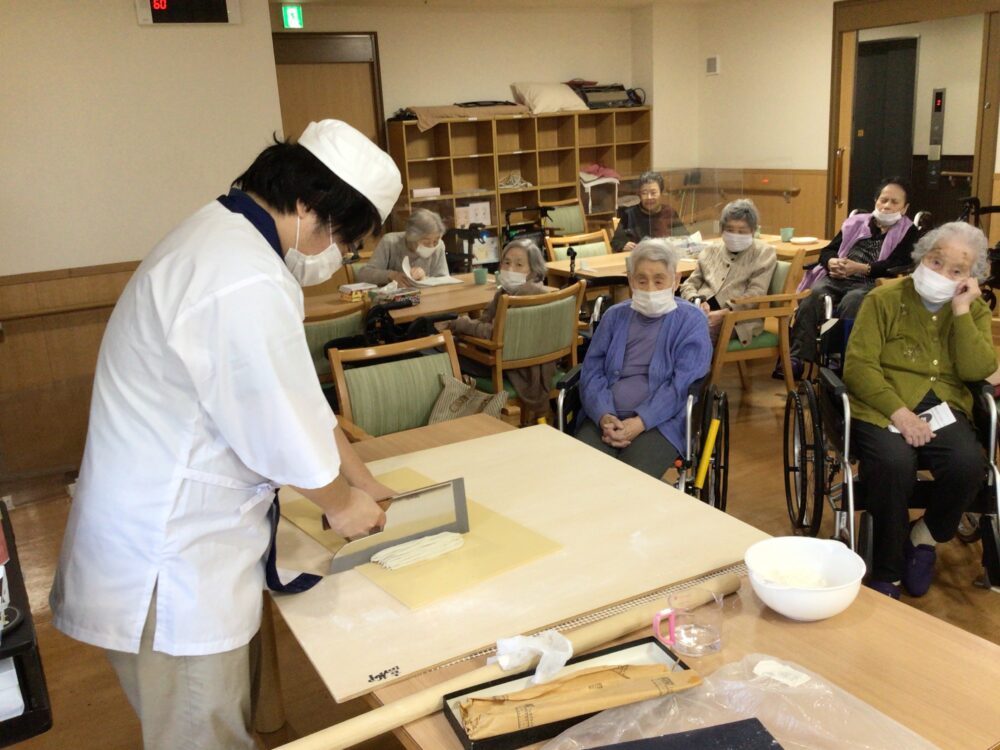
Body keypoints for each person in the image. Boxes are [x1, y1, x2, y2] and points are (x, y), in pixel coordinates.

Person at [49, 120, 402, 750]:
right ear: (309, 206)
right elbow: (274, 424)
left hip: (173, 530)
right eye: (342, 239)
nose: (337, 257)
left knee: (211, 721)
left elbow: (293, 400)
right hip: (172, 554)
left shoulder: (223, 240)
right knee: (200, 733)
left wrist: (364, 479)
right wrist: (343, 506)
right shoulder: (241, 275)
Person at [843, 222, 996, 600]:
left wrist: (961, 310)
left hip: (943, 404)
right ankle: (888, 569)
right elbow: (858, 366)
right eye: (936, 260)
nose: (942, 273)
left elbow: (978, 371)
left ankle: (924, 537)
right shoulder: (883, 300)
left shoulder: (971, 310)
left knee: (967, 465)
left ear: (970, 279)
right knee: (893, 465)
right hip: (883, 403)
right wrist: (900, 414)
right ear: (921, 257)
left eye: (957, 270)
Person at [576, 240, 713, 478]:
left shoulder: (691, 322)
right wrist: (603, 415)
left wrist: (639, 422)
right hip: (605, 418)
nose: (650, 288)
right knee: (582, 470)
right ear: (630, 280)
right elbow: (592, 372)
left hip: (663, 423)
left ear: (676, 280)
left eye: (659, 280)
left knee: (630, 479)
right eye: (641, 280)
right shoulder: (614, 317)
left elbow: (680, 386)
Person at [780, 178, 919, 378]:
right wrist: (831, 263)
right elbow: (828, 250)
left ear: (905, 208)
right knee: (815, 294)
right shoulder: (856, 222)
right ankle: (797, 358)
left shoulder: (909, 232)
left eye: (894, 202)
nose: (887, 206)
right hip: (838, 276)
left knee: (853, 300)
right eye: (883, 200)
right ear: (875, 201)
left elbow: (896, 265)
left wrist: (861, 268)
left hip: (871, 282)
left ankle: (839, 358)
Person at [441, 238, 554, 425]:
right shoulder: (514, 292)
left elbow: (493, 333)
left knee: (447, 354)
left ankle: (465, 416)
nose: (510, 270)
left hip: (512, 366)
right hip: (531, 363)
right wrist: (464, 325)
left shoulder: (524, 295)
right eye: (506, 262)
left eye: (519, 265)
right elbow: (486, 322)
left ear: (533, 270)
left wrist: (459, 324)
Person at [679, 199, 776, 345]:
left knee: (695, 333)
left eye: (742, 231)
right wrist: (696, 300)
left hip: (737, 319)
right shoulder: (710, 251)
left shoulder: (764, 253)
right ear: (722, 230)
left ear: (753, 231)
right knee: (667, 327)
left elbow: (756, 293)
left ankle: (696, 368)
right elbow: (689, 284)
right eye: (730, 230)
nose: (735, 235)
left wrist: (725, 313)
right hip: (700, 311)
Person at [356, 207, 447, 286]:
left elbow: (445, 280)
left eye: (435, 241)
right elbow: (363, 275)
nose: (431, 246)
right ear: (411, 237)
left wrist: (425, 278)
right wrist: (392, 275)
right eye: (426, 242)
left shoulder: (439, 246)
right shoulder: (390, 242)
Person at [611, 171, 688, 251]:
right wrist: (623, 245)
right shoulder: (629, 214)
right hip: (640, 259)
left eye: (653, 193)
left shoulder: (669, 212)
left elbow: (685, 237)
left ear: (661, 193)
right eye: (644, 193)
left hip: (664, 257)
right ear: (639, 194)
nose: (649, 197)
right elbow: (616, 242)